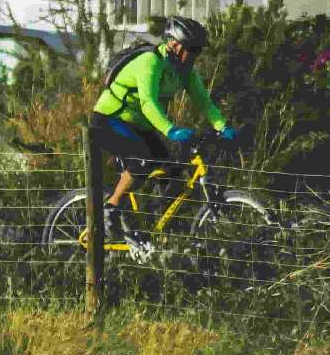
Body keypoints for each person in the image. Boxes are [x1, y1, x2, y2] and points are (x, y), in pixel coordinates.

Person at [89, 14, 235, 243]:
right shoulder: (150, 62)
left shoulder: (185, 70)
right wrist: (171, 130)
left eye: (198, 50)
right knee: (141, 161)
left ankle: (157, 228)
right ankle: (111, 208)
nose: (196, 55)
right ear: (174, 44)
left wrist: (222, 126)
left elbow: (203, 102)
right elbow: (148, 102)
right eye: (193, 49)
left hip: (139, 126)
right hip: (110, 120)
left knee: (174, 171)